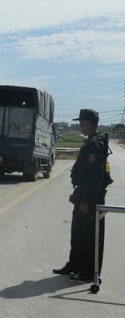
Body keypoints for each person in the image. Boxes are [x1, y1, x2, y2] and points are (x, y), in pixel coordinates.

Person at [53, 109, 111, 281]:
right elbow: (85, 175)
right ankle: (75, 264)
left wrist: (86, 199)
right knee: (78, 232)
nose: (80, 126)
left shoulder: (94, 144)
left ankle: (89, 271)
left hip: (91, 198)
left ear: (87, 123)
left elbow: (95, 176)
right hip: (83, 193)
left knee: (91, 235)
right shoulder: (91, 142)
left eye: (81, 123)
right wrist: (77, 193)